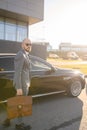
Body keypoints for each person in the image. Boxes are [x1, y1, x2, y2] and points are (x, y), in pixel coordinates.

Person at [2, 38, 32, 130]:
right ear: (22, 45)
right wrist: (19, 87)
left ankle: (7, 120)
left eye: (30, 44)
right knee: (21, 105)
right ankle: (19, 125)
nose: (29, 46)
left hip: (24, 84)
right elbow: (17, 72)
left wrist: (28, 83)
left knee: (16, 104)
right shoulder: (21, 55)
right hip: (21, 85)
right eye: (27, 44)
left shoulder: (26, 55)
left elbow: (26, 71)